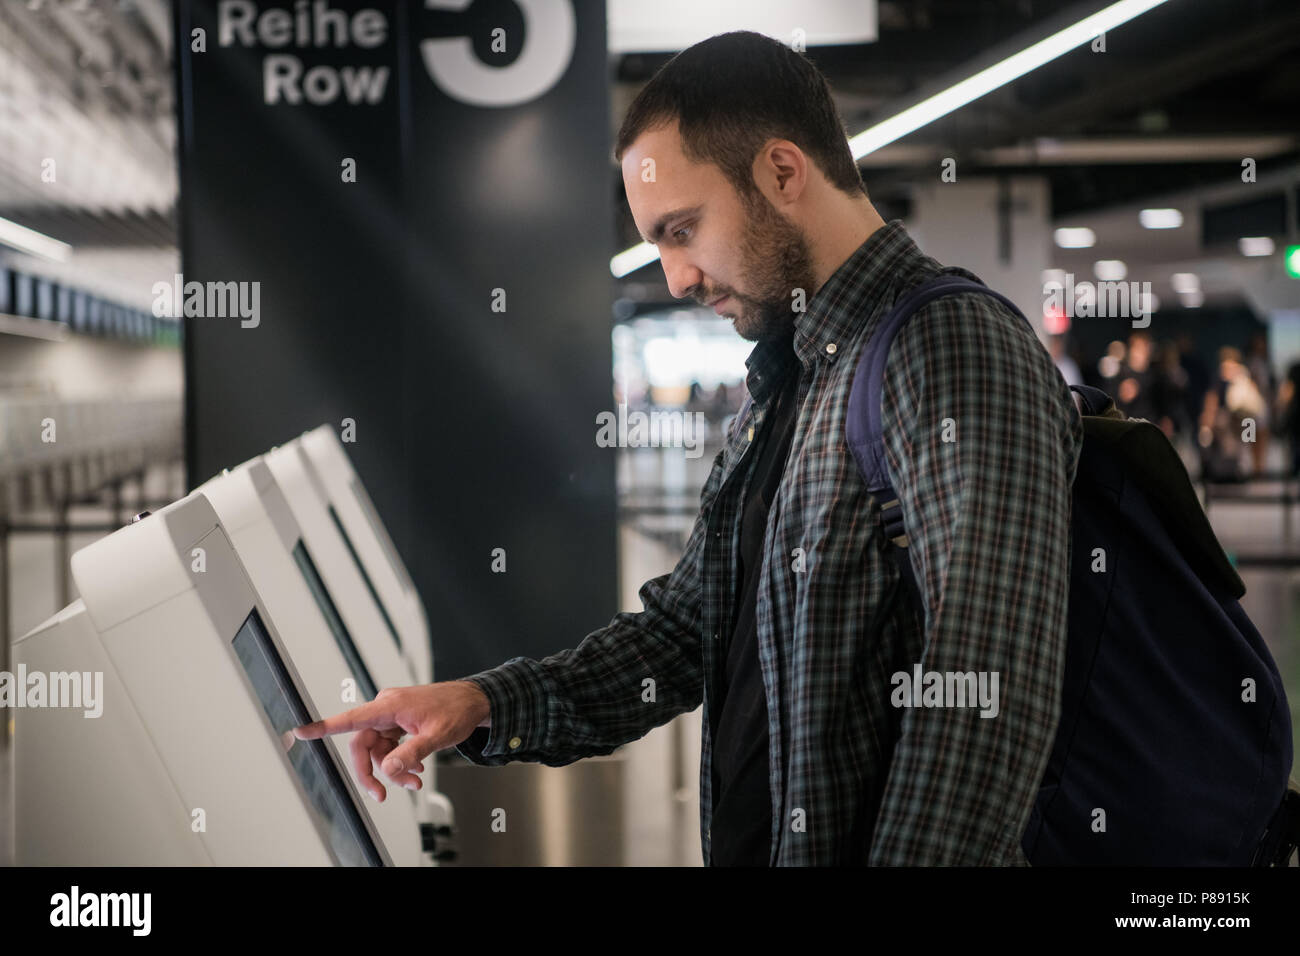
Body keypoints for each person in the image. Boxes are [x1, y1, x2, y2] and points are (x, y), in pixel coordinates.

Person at [294, 31, 1083, 866]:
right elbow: (681, 635)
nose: (673, 277)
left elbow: (985, 702)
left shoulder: (951, 347)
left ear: (783, 172)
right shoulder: (794, 376)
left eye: (681, 229)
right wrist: (482, 703)